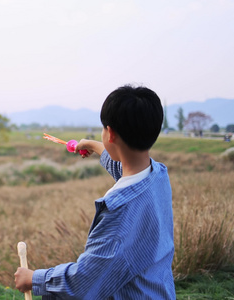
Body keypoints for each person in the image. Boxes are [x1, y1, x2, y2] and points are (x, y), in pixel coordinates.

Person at [14, 85, 175, 299]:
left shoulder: (119, 212)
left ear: (111, 134)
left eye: (103, 129)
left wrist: (34, 278)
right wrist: (94, 146)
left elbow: (84, 282)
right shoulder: (157, 176)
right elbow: (123, 166)